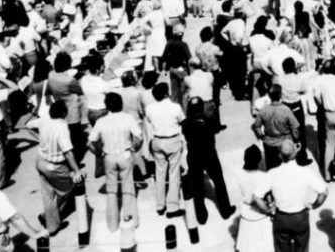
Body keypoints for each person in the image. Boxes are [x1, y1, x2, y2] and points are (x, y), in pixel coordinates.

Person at [251, 139, 328, 252]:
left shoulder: (273, 173)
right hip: (301, 218)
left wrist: (268, 210)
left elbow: (256, 197)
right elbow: (324, 192)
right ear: (295, 154)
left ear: (280, 155)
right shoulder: (305, 172)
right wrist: (315, 205)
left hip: (281, 218)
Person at [88, 92, 143, 232]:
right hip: (125, 155)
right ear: (121, 104)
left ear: (106, 106)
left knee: (111, 191)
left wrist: (99, 153)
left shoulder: (101, 121)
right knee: (128, 188)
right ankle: (130, 220)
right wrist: (134, 147)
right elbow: (139, 137)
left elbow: (90, 143)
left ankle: (112, 225)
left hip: (109, 156)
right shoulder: (128, 118)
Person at [182, 96, 234, 223]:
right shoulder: (208, 121)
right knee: (219, 182)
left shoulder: (186, 123)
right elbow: (215, 130)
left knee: (197, 186)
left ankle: (201, 216)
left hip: (194, 156)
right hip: (209, 155)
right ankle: (225, 210)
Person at [36, 100, 85, 235]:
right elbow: (68, 152)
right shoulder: (62, 127)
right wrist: (76, 170)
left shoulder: (45, 120)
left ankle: (52, 224)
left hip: (41, 160)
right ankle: (48, 216)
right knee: (66, 190)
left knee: (48, 194)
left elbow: (29, 124)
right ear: (64, 113)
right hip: (55, 165)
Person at [145, 82, 185, 217]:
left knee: (160, 173)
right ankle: (172, 207)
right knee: (174, 173)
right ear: (167, 93)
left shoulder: (149, 108)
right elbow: (182, 120)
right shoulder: (175, 107)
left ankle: (160, 205)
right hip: (172, 140)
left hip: (157, 140)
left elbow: (150, 121)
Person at [255, 84, 301, 170]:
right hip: (284, 144)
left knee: (271, 169)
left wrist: (262, 137)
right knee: (286, 169)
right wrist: (297, 140)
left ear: (269, 95)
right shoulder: (286, 110)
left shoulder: (263, 110)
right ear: (280, 95)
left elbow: (257, 126)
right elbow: (295, 129)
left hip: (269, 143)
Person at [236, 145, 272, 252]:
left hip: (246, 210)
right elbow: (268, 197)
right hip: (261, 212)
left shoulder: (239, 173)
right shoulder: (263, 176)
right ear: (259, 160)